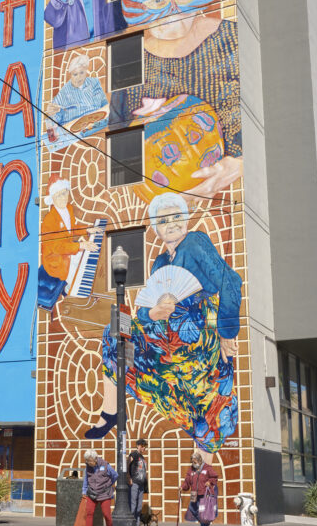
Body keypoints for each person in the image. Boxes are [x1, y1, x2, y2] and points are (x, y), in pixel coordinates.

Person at [93, 192, 241, 448]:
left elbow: (231, 281)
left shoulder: (195, 242)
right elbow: (146, 307)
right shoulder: (161, 262)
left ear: (186, 218)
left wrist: (227, 333)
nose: (171, 223)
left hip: (198, 336)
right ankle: (112, 410)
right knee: (115, 329)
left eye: (176, 216)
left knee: (200, 402)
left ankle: (203, 469)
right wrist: (152, 314)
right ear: (156, 229)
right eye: (163, 220)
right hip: (168, 338)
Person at [110, 0, 242, 199]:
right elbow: (119, 150)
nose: (172, 11)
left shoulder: (233, 38)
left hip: (235, 205)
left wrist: (241, 165)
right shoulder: (131, 60)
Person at [38, 175, 102, 310]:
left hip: (67, 252)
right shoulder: (49, 221)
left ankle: (88, 292)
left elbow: (71, 230)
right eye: (59, 195)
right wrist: (80, 245)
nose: (63, 197)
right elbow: (56, 247)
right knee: (78, 274)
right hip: (55, 261)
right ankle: (75, 301)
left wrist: (88, 229)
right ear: (53, 198)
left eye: (65, 193)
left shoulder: (69, 209)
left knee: (86, 259)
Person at [45, 53, 108, 144]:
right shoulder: (63, 93)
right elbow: (52, 124)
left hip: (98, 126)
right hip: (74, 136)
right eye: (75, 74)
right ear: (70, 74)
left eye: (82, 73)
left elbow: (104, 104)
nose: (79, 77)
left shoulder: (94, 83)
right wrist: (51, 114)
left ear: (86, 71)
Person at [78, 449, 118, 526]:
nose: (88, 462)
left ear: (95, 459)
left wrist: (109, 485)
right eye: (86, 460)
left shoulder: (105, 465)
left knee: (106, 514)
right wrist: (84, 491)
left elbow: (115, 475)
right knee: (89, 513)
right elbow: (86, 480)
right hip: (92, 493)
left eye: (89, 460)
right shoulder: (87, 467)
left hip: (104, 493)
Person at [181, 449, 219, 526]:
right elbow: (187, 482)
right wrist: (182, 487)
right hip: (194, 493)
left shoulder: (207, 468)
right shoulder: (191, 469)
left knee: (203, 513)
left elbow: (214, 477)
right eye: (192, 462)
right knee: (192, 509)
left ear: (199, 460)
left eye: (195, 462)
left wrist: (210, 482)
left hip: (204, 494)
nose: (193, 464)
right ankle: (204, 525)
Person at [128, 438, 149, 526]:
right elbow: (127, 464)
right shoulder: (133, 454)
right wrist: (129, 478)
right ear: (138, 446)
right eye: (143, 446)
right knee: (133, 505)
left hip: (141, 484)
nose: (144, 448)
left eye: (145, 447)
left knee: (139, 506)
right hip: (134, 483)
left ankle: (136, 525)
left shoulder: (142, 457)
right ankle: (130, 525)